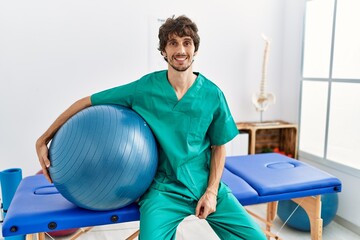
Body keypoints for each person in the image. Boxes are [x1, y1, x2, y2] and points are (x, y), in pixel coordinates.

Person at [36, 15, 267, 240]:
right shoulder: (144, 89)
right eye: (173, 43)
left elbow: (219, 147)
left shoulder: (212, 94)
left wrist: (212, 192)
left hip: (204, 183)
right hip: (163, 191)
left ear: (195, 50)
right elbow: (87, 101)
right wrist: (44, 138)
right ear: (163, 51)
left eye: (187, 43)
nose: (181, 50)